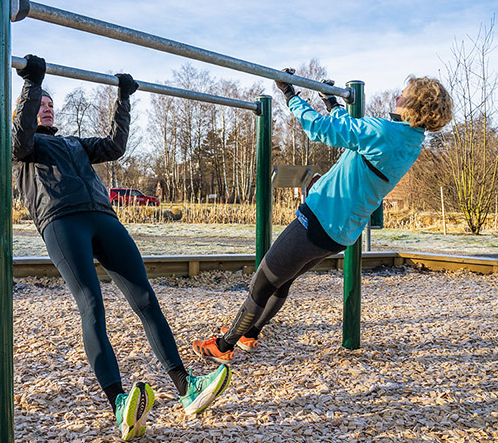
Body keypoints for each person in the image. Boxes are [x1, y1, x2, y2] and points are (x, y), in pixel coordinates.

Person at [12, 54, 231, 441]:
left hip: (104, 218)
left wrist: (123, 98)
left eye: (49, 104)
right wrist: (32, 83)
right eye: (39, 104)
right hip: (62, 221)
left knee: (146, 298)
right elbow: (20, 137)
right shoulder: (20, 147)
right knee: (92, 305)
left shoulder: (73, 143)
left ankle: (186, 389)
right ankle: (119, 404)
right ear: (27, 109)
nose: (45, 108)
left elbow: (114, 146)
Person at [192, 71, 453, 364]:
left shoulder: (385, 133)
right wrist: (331, 101)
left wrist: (290, 96)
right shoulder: (409, 140)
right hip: (339, 233)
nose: (397, 97)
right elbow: (353, 130)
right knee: (282, 281)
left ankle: (225, 346)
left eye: (402, 95)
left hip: (318, 220)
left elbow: (320, 128)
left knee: (262, 281)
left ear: (414, 105)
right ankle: (249, 333)